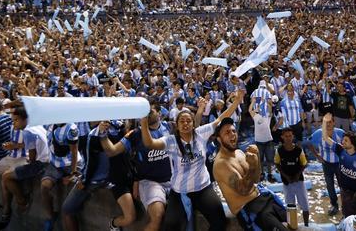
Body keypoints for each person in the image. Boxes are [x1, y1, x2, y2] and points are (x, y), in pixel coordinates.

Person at [140, 90, 243, 230]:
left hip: (203, 189)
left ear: (193, 124)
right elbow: (149, 143)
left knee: (220, 222)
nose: (185, 123)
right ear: (177, 125)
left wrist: (237, 101)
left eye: (189, 121)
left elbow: (221, 119)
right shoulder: (170, 141)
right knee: (169, 226)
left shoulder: (201, 133)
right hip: (179, 192)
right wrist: (144, 122)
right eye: (182, 121)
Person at [97, 103, 172, 231]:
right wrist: (102, 134)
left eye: (149, 112)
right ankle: (114, 224)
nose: (145, 115)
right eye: (143, 113)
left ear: (159, 112)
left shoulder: (170, 127)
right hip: (151, 182)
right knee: (158, 216)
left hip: (173, 180)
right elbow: (112, 151)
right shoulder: (135, 134)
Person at [213, 117, 288, 230]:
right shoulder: (221, 164)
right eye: (227, 132)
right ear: (219, 139)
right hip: (249, 209)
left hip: (263, 197)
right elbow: (243, 190)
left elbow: (256, 179)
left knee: (291, 221)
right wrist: (252, 166)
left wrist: (256, 157)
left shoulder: (238, 152)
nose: (232, 134)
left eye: (233, 131)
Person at [0, 106, 50, 230]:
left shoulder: (28, 131)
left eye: (15, 120)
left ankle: (22, 201)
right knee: (7, 178)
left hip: (41, 164)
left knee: (6, 177)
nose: (13, 123)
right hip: (45, 159)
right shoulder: (35, 125)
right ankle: (7, 210)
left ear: (24, 119)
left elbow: (31, 157)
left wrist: (28, 163)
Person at [320, 113, 356, 218]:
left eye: (346, 140)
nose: (343, 141)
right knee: (346, 211)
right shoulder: (340, 150)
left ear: (353, 143)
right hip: (345, 191)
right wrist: (324, 121)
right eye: (343, 140)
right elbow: (325, 137)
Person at [41, 122, 83, 231]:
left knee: (68, 204)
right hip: (55, 163)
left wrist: (72, 174)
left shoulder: (71, 128)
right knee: (44, 186)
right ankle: (51, 216)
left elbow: (74, 151)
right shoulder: (49, 124)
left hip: (70, 164)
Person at [307, 113, 344, 216]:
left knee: (343, 184)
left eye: (330, 122)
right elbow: (309, 142)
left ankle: (345, 204)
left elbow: (348, 144)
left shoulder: (340, 133)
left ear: (334, 122)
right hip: (326, 163)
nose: (328, 124)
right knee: (330, 185)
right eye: (325, 122)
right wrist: (317, 155)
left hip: (340, 164)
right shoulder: (319, 133)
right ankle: (334, 205)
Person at [275, 127, 310, 226]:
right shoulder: (279, 151)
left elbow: (304, 164)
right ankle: (292, 226)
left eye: (290, 136)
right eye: (286, 136)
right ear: (282, 137)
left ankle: (306, 225)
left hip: (299, 181)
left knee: (305, 206)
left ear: (293, 136)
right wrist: (286, 176)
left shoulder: (299, 150)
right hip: (287, 182)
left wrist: (297, 175)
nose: (288, 138)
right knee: (290, 207)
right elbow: (277, 164)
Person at [248, 91, 276, 183]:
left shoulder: (268, 116)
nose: (260, 108)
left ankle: (270, 174)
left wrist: (267, 102)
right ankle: (261, 174)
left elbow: (270, 108)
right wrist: (253, 102)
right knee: (260, 160)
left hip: (268, 140)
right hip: (259, 141)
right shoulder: (255, 116)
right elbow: (249, 110)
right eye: (259, 107)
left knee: (269, 159)